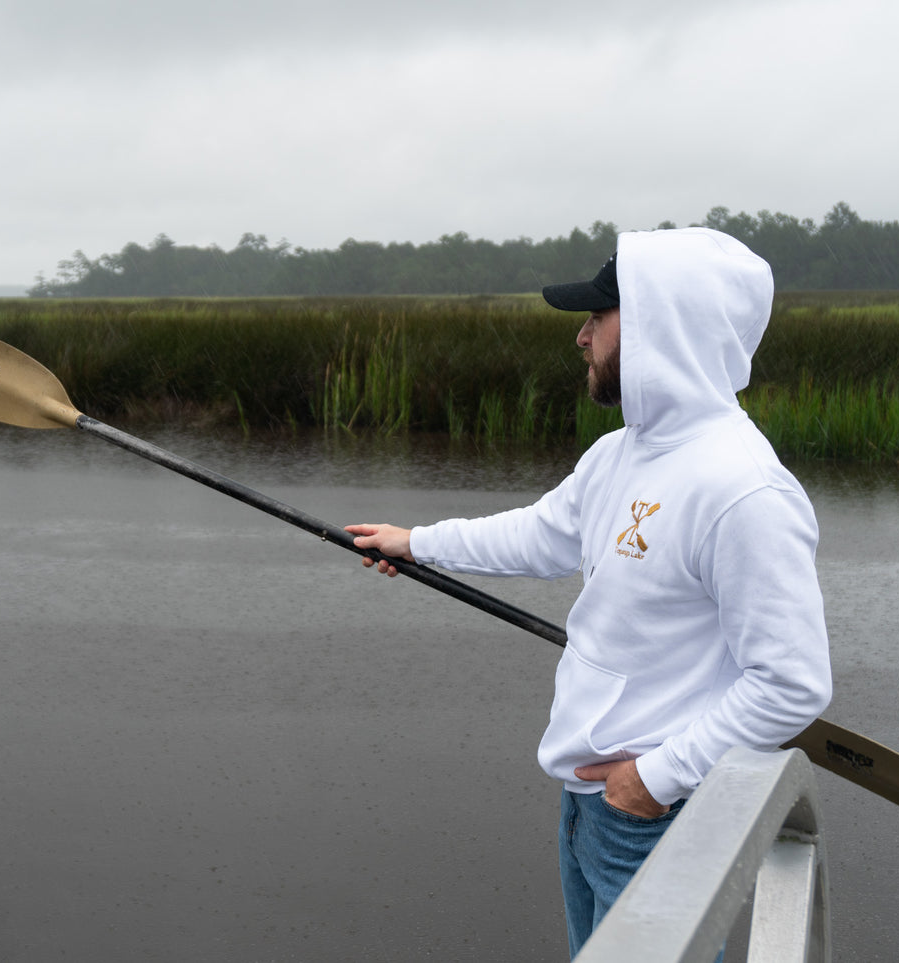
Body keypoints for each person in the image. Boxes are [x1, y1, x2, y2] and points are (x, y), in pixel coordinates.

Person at [345, 227, 832, 957]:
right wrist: (417, 542)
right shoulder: (620, 452)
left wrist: (654, 778)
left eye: (597, 318)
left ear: (656, 324)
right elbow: (542, 535)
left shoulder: (742, 491)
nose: (580, 336)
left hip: (654, 810)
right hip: (589, 800)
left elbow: (791, 684)